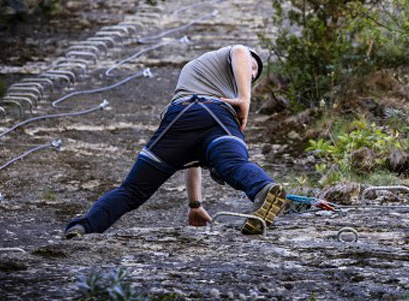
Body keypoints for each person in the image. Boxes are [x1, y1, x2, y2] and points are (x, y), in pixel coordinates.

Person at [63, 45, 286, 238]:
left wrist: (195, 205)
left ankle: (84, 227)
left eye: (254, 76)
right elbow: (240, 52)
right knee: (234, 163)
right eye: (252, 69)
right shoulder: (231, 57)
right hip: (212, 113)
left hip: (183, 124)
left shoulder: (200, 76)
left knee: (132, 191)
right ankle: (262, 188)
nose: (251, 75)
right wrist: (245, 100)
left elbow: (192, 160)